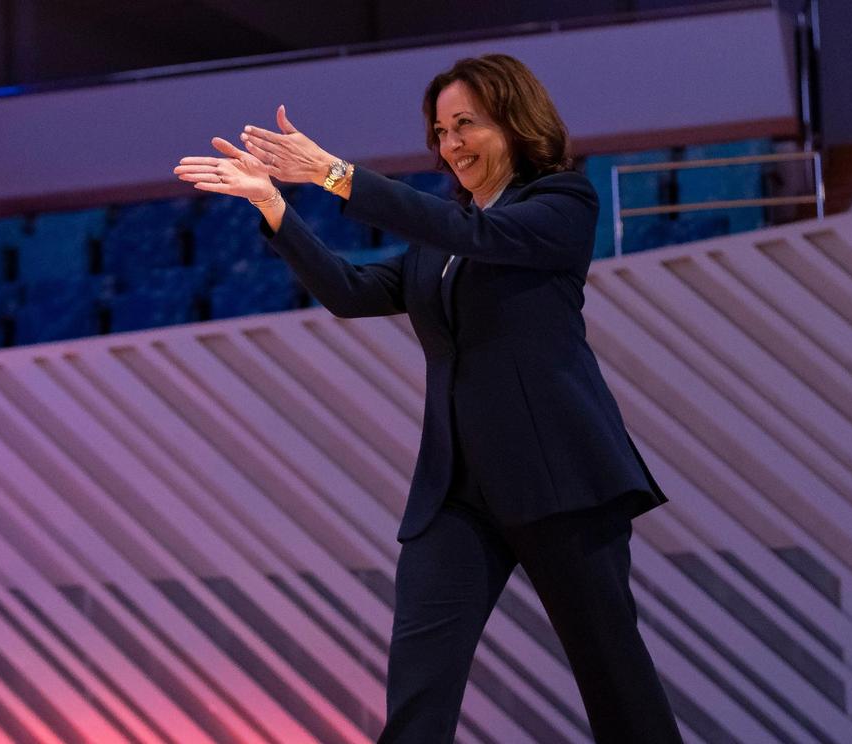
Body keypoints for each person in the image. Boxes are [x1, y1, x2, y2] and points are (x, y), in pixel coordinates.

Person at [174, 54, 684, 744]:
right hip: (456, 493)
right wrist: (272, 203)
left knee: (615, 682)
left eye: (465, 124)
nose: (450, 146)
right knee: (420, 687)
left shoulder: (561, 203)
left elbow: (482, 237)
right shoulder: (444, 230)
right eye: (440, 132)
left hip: (558, 479)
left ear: (513, 120)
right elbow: (352, 294)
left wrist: (334, 172)